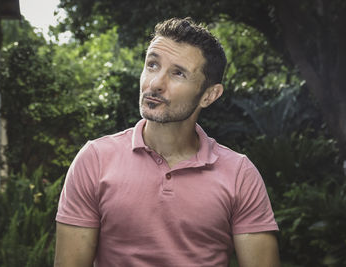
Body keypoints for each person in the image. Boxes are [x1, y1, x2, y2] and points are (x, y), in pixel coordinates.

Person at [54, 17, 280, 267]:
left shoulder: (240, 175)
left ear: (209, 95)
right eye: (152, 65)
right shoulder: (94, 160)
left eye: (178, 73)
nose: (155, 84)